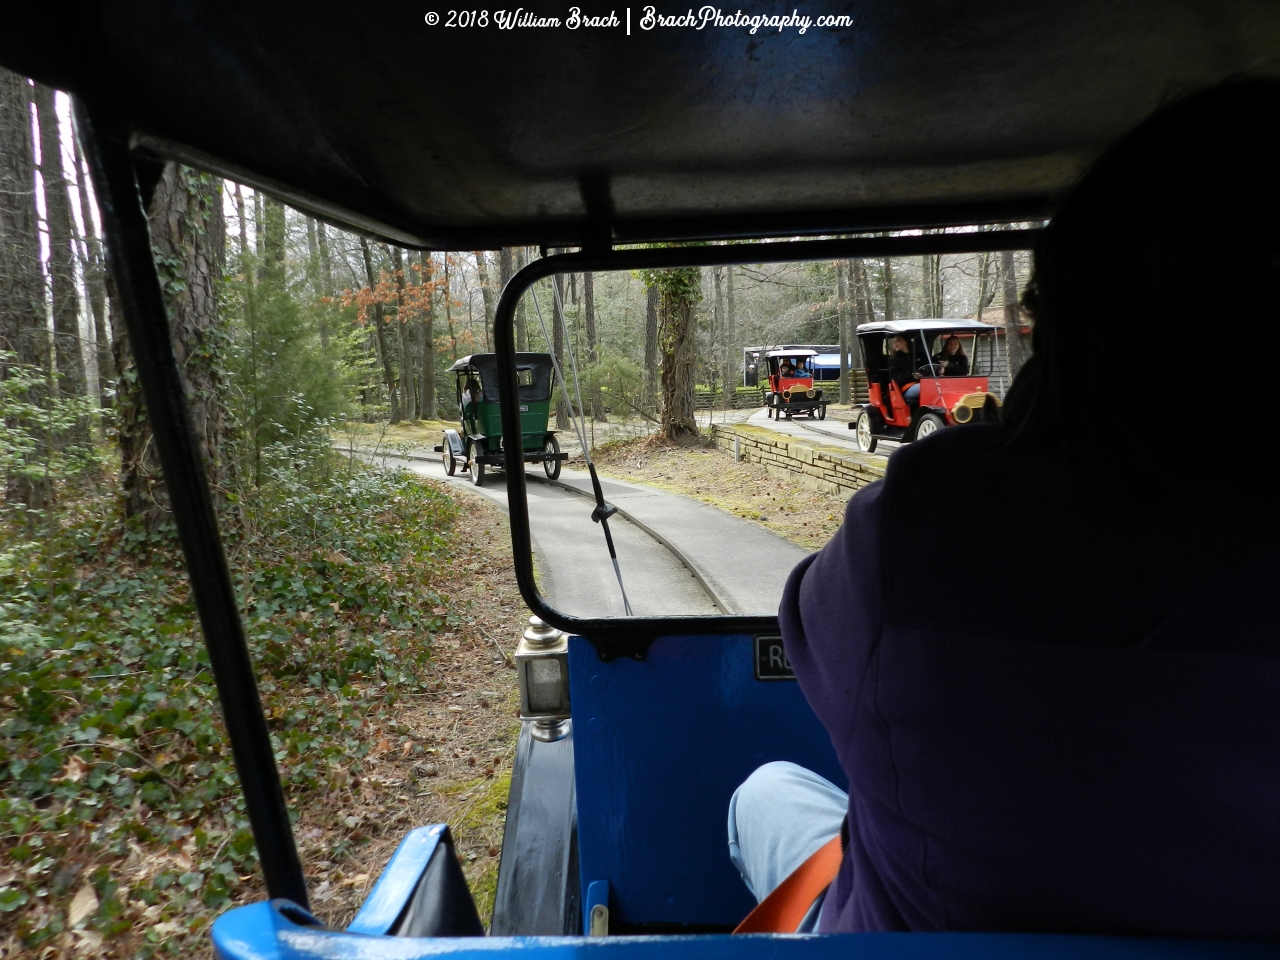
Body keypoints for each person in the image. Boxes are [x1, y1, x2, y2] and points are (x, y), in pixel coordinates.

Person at [728, 79, 1280, 936]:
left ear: (1066, 334)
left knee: (765, 796)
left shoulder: (925, 533)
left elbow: (806, 624)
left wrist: (1028, 431)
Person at [885, 335, 919, 408]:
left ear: (906, 341)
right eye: (894, 342)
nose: (895, 344)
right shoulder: (894, 359)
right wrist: (912, 375)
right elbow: (896, 377)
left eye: (898, 341)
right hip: (905, 388)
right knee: (926, 388)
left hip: (923, 382)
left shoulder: (918, 355)